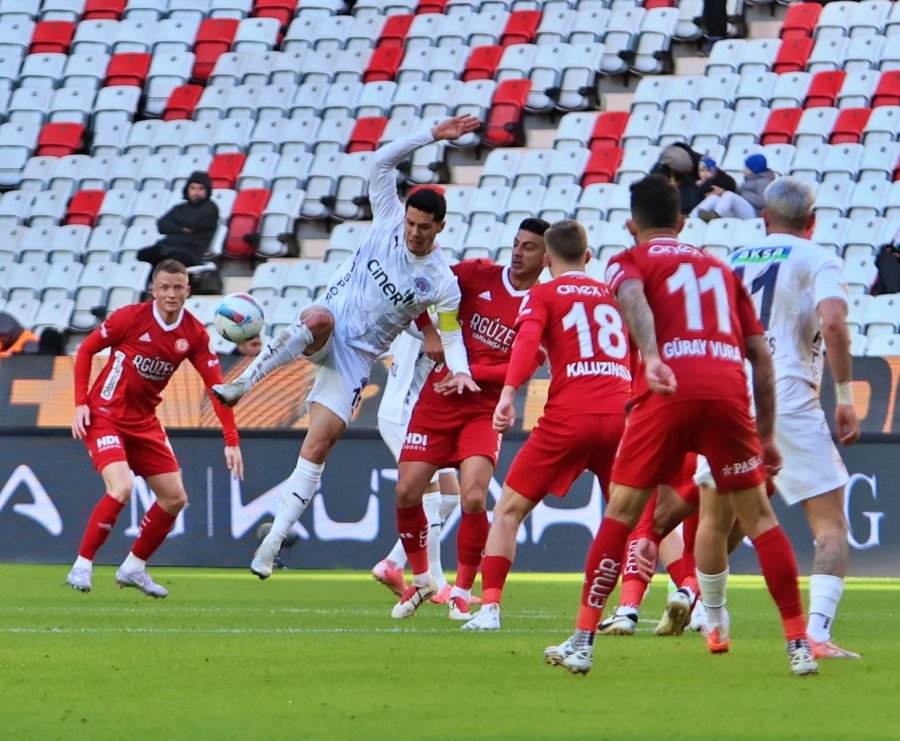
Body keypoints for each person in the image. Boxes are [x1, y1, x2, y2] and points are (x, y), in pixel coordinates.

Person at [545, 174, 817, 677]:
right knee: (759, 518)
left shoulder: (630, 260)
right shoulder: (720, 268)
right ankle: (799, 645)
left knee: (622, 514)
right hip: (727, 390)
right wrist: (768, 434)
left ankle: (583, 639)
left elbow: (630, 296)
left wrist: (650, 354)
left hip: (668, 389)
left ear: (632, 225)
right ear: (684, 221)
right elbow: (759, 355)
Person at [210, 115, 482, 579]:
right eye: (411, 222)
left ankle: (272, 542)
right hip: (330, 323)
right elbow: (380, 160)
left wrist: (459, 369)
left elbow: (450, 332)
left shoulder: (441, 281)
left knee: (319, 445)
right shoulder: (388, 216)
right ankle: (244, 383)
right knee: (317, 318)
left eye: (423, 227)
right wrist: (434, 135)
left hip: (357, 358)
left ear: (439, 228)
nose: (413, 232)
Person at [459, 219, 632, 632]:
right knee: (635, 515)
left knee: (508, 511)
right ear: (587, 257)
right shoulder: (615, 295)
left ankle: (490, 609)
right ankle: (648, 602)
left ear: (549, 257)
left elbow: (525, 343)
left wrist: (507, 395)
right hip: (620, 416)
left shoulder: (543, 292)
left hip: (568, 418)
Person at [728, 176, 861, 659]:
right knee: (830, 527)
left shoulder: (734, 260)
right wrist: (844, 395)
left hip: (732, 395)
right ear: (812, 222)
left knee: (719, 516)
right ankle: (819, 635)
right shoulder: (818, 258)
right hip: (786, 393)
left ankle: (704, 611)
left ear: (765, 218)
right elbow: (832, 322)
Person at [390, 217, 549, 620]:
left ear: (547, 257)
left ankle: (462, 590)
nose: (517, 252)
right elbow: (421, 291)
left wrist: (468, 374)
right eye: (516, 243)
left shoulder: (544, 302)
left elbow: (524, 363)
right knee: (407, 491)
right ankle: (423, 578)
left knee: (474, 496)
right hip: (439, 401)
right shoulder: (478, 274)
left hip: (483, 408)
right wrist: (427, 331)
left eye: (529, 247)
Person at [66, 259, 243, 597]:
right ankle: (82, 565)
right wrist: (80, 403)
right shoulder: (130, 318)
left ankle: (133, 567)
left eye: (178, 287)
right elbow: (87, 348)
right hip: (104, 413)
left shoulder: (193, 334)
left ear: (188, 291)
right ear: (153, 290)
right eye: (165, 287)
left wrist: (231, 439)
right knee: (121, 489)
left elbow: (216, 388)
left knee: (175, 498)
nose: (171, 294)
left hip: (145, 421)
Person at [371, 326, 462, 603]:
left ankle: (393, 563)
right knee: (430, 494)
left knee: (451, 495)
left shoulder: (448, 315)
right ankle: (437, 581)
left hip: (426, 414)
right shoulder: (430, 316)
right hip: (403, 414)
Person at [137, 171, 219, 269]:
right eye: (193, 188)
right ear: (187, 189)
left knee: (169, 264)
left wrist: (174, 220)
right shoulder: (180, 207)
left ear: (207, 191)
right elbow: (162, 225)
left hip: (190, 251)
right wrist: (181, 229)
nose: (196, 192)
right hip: (167, 246)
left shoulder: (210, 208)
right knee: (143, 255)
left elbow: (192, 222)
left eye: (201, 189)